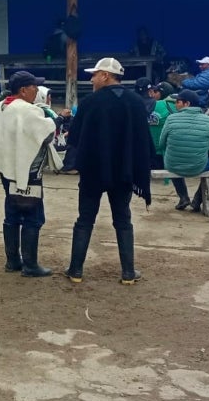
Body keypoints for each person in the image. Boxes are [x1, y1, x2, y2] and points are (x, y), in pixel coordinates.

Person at [64, 57, 153, 284]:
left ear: (105, 75)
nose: (92, 78)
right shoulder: (135, 102)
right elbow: (143, 140)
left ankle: (75, 271)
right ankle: (128, 273)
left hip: (93, 171)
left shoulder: (90, 102)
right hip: (124, 172)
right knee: (123, 220)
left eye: (94, 74)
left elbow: (74, 137)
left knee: (85, 219)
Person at [0, 71, 56, 277]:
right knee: (33, 215)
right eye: (34, 86)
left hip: (8, 168)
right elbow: (47, 134)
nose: (37, 90)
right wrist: (58, 120)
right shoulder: (26, 110)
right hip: (27, 172)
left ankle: (13, 261)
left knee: (12, 214)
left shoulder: (4, 104)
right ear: (23, 90)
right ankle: (30, 265)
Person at [159, 90, 209, 212]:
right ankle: (197, 200)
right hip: (198, 165)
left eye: (178, 102)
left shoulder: (171, 119)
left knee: (171, 158)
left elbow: (161, 144)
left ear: (187, 103)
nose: (176, 104)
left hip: (172, 164)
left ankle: (183, 197)